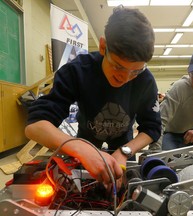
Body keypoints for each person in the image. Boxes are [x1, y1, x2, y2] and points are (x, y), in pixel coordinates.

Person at [25, 6, 161, 186]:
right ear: (103, 46)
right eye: (119, 67)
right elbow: (35, 126)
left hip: (124, 143)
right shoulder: (78, 70)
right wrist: (79, 148)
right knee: (81, 185)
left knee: (121, 186)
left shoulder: (145, 80)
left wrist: (124, 152)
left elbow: (151, 128)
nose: (125, 78)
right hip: (86, 138)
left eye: (135, 71)